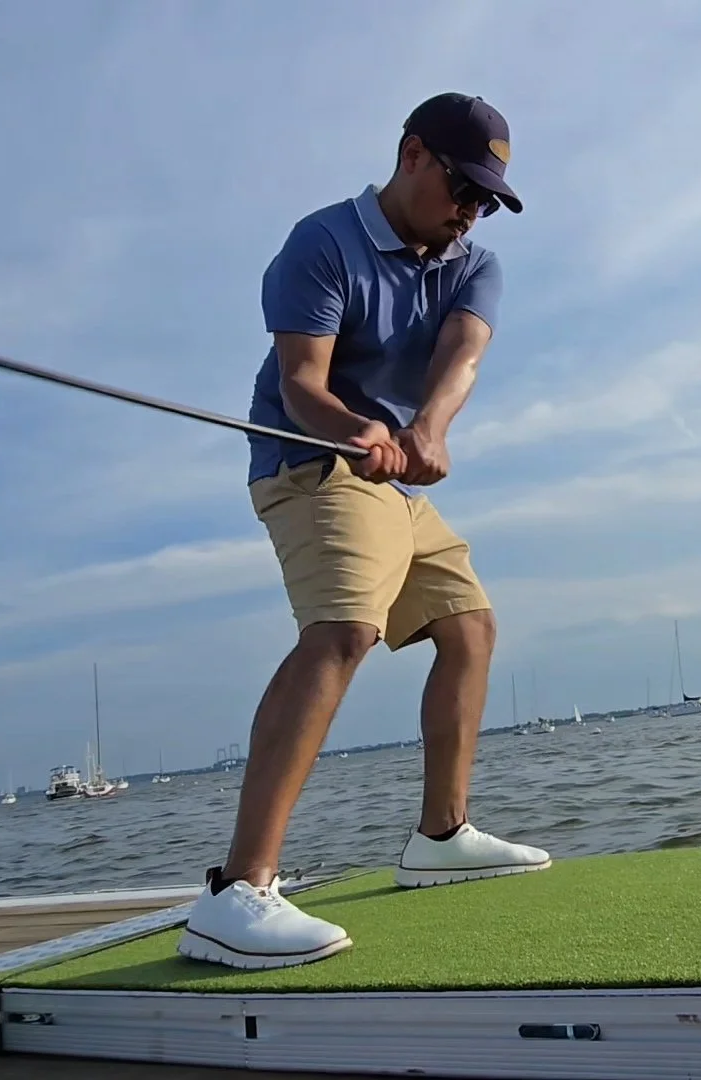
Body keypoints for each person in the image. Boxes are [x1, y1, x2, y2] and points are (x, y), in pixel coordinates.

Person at [177, 92, 549, 972]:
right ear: (412, 154)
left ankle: (440, 837)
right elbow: (304, 381)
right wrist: (357, 430)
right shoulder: (322, 243)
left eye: (486, 198)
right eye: (462, 184)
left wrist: (430, 432)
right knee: (344, 629)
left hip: (400, 482)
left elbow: (460, 357)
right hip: (309, 462)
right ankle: (238, 891)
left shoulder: (473, 261)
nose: (470, 208)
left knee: (467, 628)